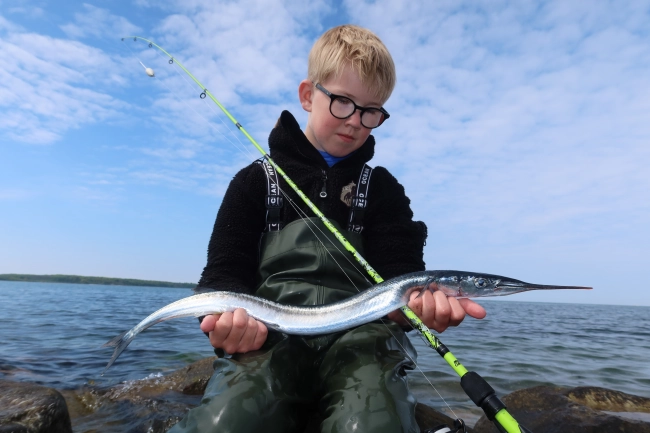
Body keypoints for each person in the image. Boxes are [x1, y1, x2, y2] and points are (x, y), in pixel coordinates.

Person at [169, 24, 486, 433]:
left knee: (372, 422)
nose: (355, 121)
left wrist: (417, 312)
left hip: (362, 344)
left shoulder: (383, 190)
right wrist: (227, 325)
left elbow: (400, 276)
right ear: (308, 95)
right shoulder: (254, 182)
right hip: (269, 340)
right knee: (225, 421)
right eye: (342, 102)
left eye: (371, 111)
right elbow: (222, 276)